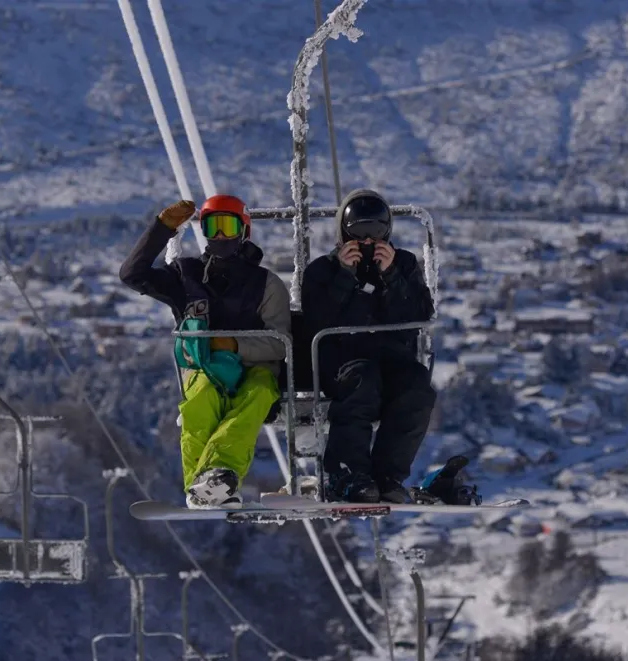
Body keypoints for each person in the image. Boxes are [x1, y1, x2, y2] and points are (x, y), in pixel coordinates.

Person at [119, 195, 290, 508]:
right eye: (214, 226)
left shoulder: (267, 285)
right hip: (206, 367)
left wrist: (236, 345)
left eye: (229, 226)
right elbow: (132, 275)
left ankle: (217, 476)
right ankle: (204, 485)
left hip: (256, 368)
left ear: (244, 231)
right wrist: (162, 230)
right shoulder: (187, 277)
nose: (221, 236)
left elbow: (280, 342)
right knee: (201, 398)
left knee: (258, 394)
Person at [301, 189, 436, 504]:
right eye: (358, 231)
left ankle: (388, 475)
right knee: (364, 381)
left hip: (393, 359)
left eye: (375, 231)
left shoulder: (402, 263)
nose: (366, 240)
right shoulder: (322, 271)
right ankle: (348, 473)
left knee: (417, 387)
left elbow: (419, 315)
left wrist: (391, 277)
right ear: (343, 232)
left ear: (387, 231)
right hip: (343, 362)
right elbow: (315, 321)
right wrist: (345, 278)